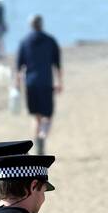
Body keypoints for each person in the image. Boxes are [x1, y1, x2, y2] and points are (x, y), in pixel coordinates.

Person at [16, 15, 63, 155]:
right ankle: (42, 136)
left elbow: (19, 67)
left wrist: (17, 85)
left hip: (30, 84)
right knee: (48, 116)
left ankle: (37, 139)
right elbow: (58, 65)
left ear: (30, 25)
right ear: (42, 24)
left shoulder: (24, 42)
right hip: (46, 83)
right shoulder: (50, 40)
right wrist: (60, 82)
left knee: (36, 117)